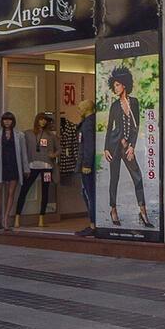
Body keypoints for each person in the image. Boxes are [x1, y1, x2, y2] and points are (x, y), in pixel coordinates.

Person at [103, 67, 153, 229]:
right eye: (114, 86)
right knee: (114, 178)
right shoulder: (114, 106)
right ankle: (113, 209)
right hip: (113, 146)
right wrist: (106, 148)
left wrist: (132, 146)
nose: (115, 88)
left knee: (137, 176)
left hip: (127, 147)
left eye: (117, 85)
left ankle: (143, 212)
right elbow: (109, 127)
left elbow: (136, 127)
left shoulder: (134, 103)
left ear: (124, 84)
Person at [0, 112, 27, 231]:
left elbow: (23, 153)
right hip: (0, 166)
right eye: (5, 120)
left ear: (13, 121)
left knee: (11, 193)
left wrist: (26, 168)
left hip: (13, 165)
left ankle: (5, 218)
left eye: (9, 120)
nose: (7, 122)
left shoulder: (19, 135)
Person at [17, 112, 59, 222]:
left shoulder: (51, 135)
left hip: (47, 167)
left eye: (45, 120)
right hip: (32, 166)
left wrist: (54, 155)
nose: (43, 121)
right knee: (24, 189)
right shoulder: (28, 133)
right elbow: (20, 143)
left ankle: (42, 218)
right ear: (37, 120)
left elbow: (59, 149)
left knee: (45, 191)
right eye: (41, 119)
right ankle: (17, 216)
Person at [74, 101, 98, 235]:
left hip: (87, 165)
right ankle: (93, 223)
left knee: (89, 194)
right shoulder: (89, 121)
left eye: (80, 107)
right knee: (88, 193)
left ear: (87, 108)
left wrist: (87, 164)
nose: (78, 109)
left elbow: (89, 145)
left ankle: (93, 225)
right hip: (87, 163)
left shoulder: (88, 123)